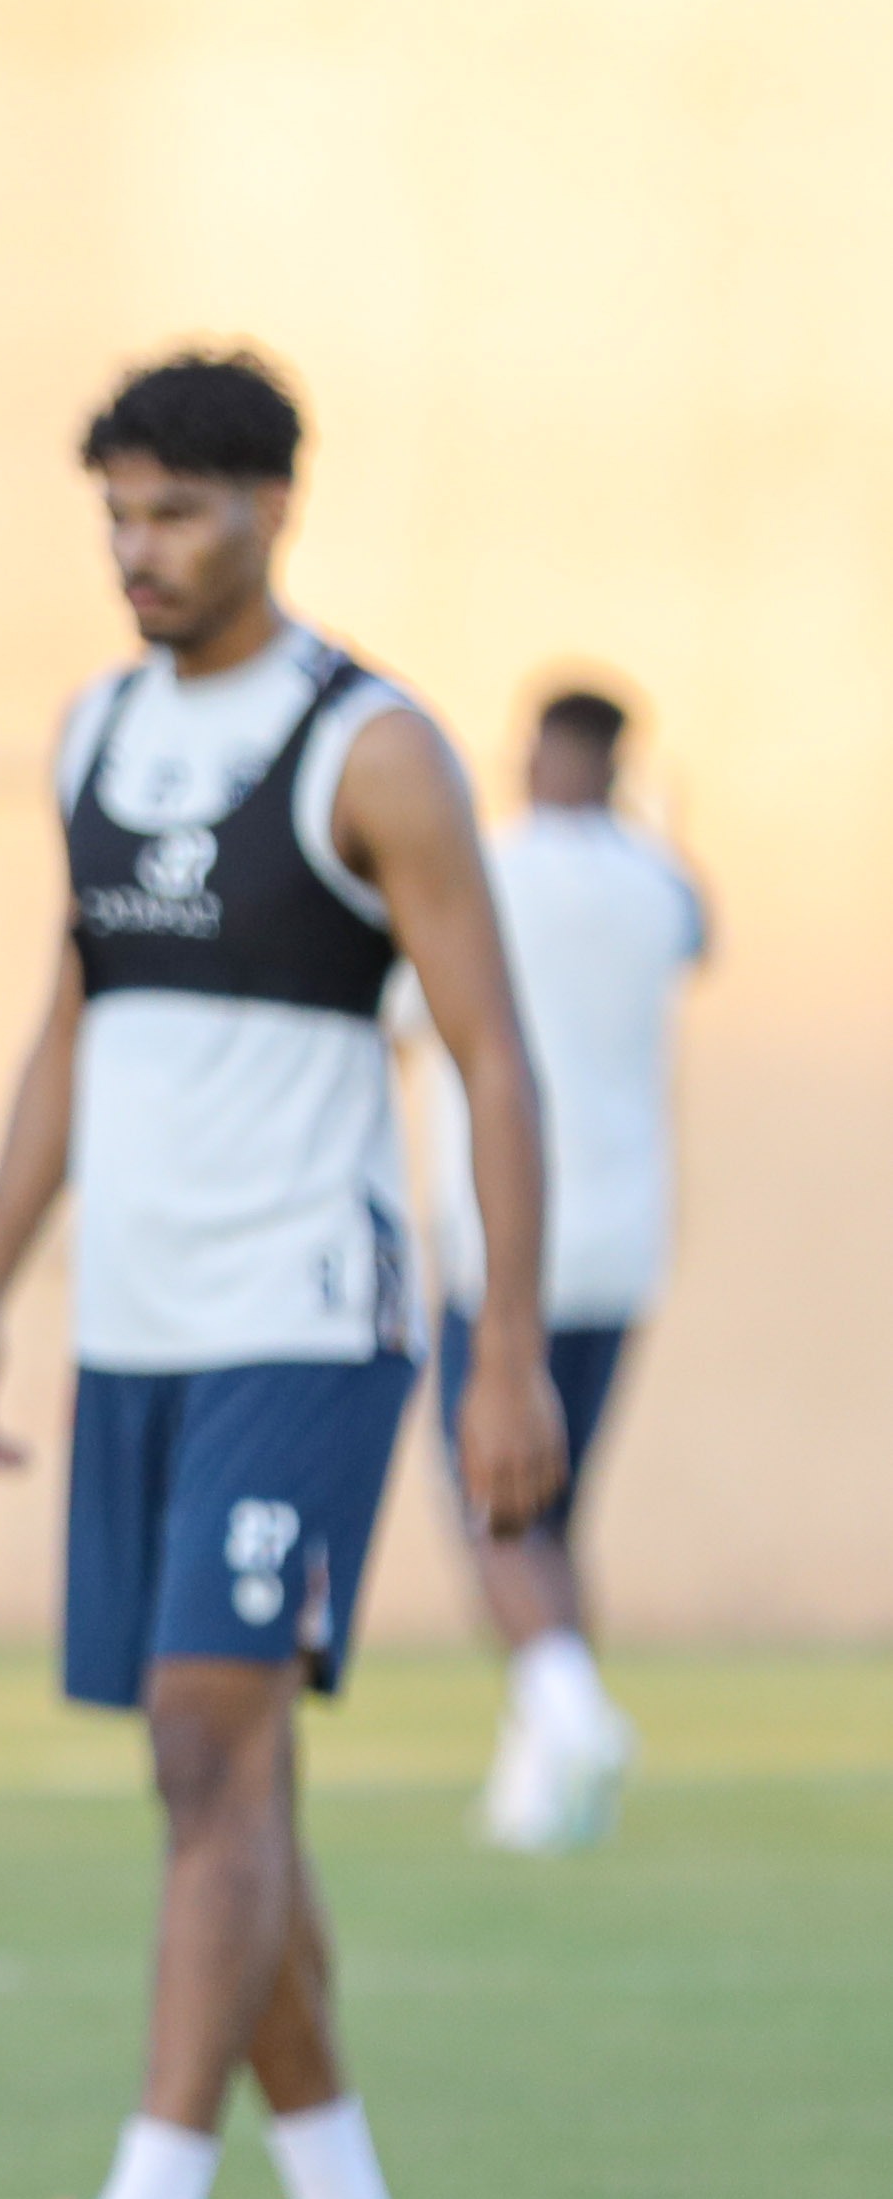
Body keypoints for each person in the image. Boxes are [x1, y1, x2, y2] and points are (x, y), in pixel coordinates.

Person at [0, 349, 564, 2199]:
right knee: (218, 1773)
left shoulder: (365, 749)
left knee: (210, 1741)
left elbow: (489, 1060)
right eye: (114, 511)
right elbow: (67, 1028)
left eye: (177, 511)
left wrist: (503, 1353)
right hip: (130, 1329)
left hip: (302, 1312)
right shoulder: (89, 735)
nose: (138, 549)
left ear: (272, 507)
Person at [407, 685, 704, 1850]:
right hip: (622, 1239)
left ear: (538, 754)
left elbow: (407, 1011)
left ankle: (567, 1703)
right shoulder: (653, 884)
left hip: (503, 1233)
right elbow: (701, 926)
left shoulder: (485, 867)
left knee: (489, 1499)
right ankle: (540, 1771)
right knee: (551, 1504)